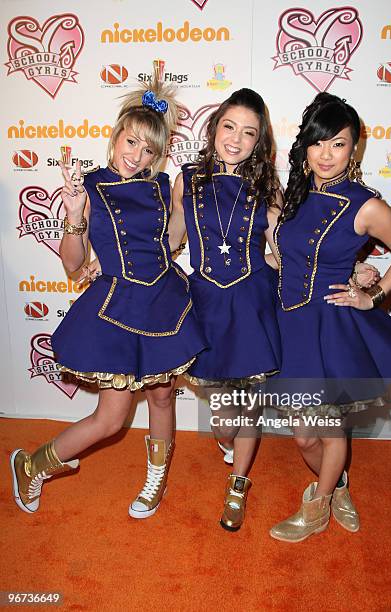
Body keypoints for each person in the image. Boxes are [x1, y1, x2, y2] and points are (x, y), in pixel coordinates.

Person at [10, 75, 207, 519]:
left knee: (161, 397)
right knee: (112, 419)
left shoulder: (161, 185)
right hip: (118, 305)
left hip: (165, 299)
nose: (136, 156)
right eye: (131, 142)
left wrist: (181, 213)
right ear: (116, 135)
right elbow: (74, 265)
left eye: (148, 150)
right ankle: (32, 464)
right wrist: (75, 215)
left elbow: (169, 240)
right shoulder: (90, 186)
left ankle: (156, 480)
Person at [268, 92, 391, 543]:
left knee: (324, 429)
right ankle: (337, 487)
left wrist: (371, 296)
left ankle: (315, 509)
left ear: (354, 148)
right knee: (304, 436)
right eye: (318, 143)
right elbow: (286, 255)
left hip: (328, 328)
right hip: (289, 322)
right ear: (305, 147)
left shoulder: (366, 204)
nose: (326, 154)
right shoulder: (296, 191)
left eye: (338, 144)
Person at [168, 88, 283, 531]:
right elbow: (172, 234)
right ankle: (229, 445)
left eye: (248, 133)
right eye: (229, 127)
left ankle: (238, 489)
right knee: (222, 419)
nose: (235, 139)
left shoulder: (265, 184)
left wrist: (344, 265)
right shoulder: (189, 178)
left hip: (253, 303)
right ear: (215, 127)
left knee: (248, 406)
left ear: (259, 141)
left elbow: (283, 242)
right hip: (208, 303)